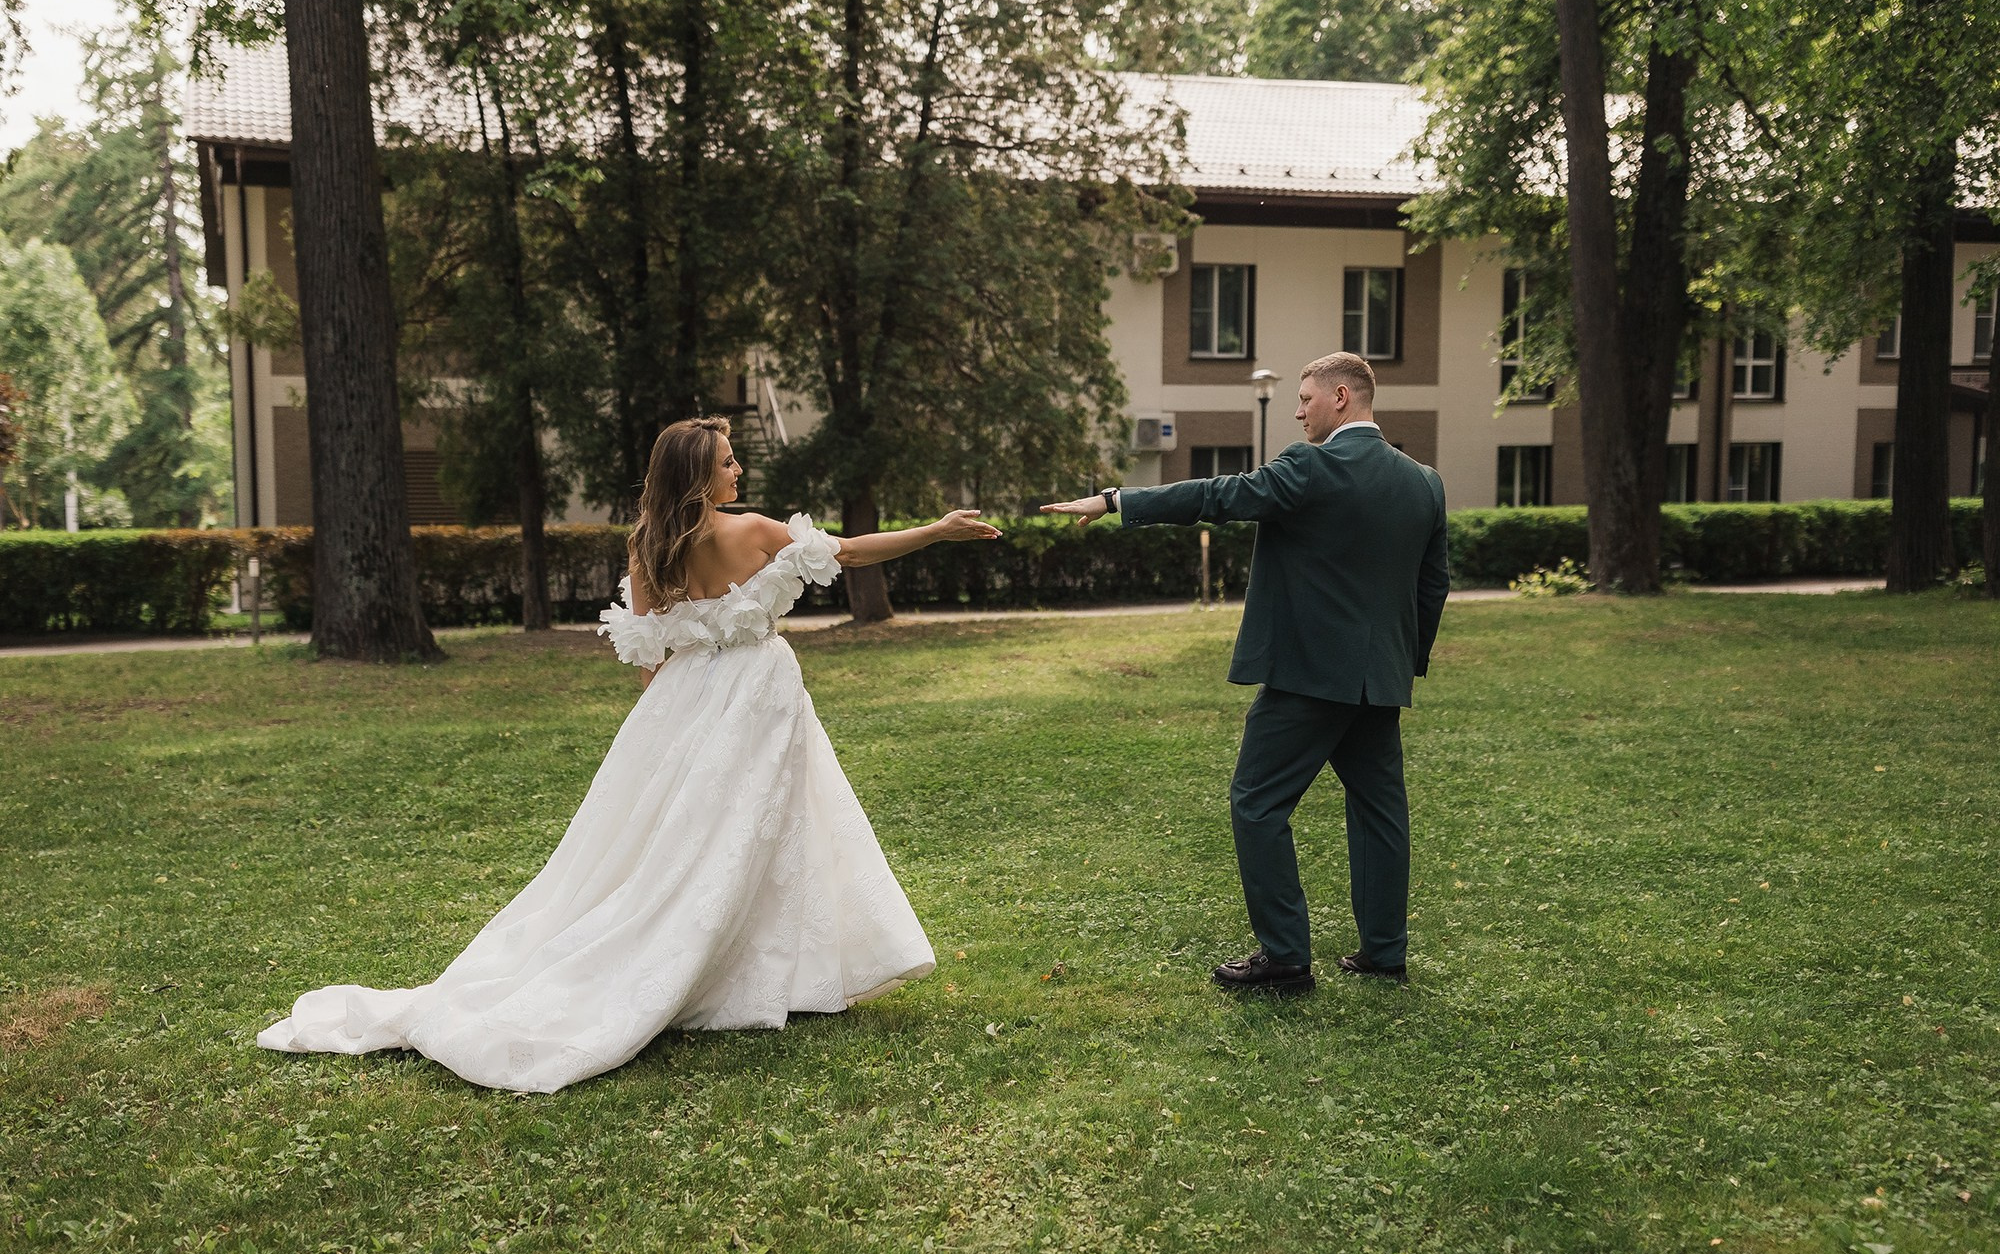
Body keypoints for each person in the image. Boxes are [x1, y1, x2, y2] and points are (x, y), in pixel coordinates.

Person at [258, 416, 1001, 1092]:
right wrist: (936, 529)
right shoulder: (753, 531)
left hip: (682, 696)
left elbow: (650, 655)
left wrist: (671, 723)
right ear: (701, 474)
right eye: (728, 462)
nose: (738, 472)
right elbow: (850, 550)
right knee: (761, 823)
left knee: (693, 829)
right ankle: (752, 967)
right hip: (759, 688)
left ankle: (762, 963)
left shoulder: (647, 543)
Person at [1044, 352, 1447, 995]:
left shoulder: (1311, 466)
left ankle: (1286, 958)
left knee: (1257, 803)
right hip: (1378, 680)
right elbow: (1434, 584)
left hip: (1308, 678)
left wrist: (1118, 499)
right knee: (1380, 811)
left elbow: (1219, 495)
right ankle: (1384, 953)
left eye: (1306, 399)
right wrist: (1401, 662)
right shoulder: (1424, 482)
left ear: (1341, 397)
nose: (1297, 411)